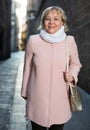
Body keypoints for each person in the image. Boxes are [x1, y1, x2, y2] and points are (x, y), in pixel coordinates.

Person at [21, 6, 82, 130]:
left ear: (62, 22)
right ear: (43, 22)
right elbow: (27, 68)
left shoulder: (69, 41)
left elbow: (76, 64)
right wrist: (25, 93)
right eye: (47, 19)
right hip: (37, 100)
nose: (51, 22)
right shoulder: (33, 41)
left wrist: (72, 74)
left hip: (60, 100)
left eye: (56, 19)